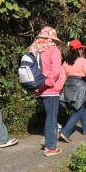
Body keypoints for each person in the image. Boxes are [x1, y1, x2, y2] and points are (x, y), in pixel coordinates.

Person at [31, 27, 65, 156]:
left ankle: (48, 141)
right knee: (51, 118)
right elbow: (56, 70)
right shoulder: (53, 50)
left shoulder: (36, 50)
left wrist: (39, 86)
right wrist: (48, 84)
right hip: (50, 89)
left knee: (48, 116)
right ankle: (50, 147)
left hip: (39, 88)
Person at [59, 39, 86, 142]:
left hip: (69, 86)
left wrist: (60, 89)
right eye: (81, 49)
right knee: (77, 110)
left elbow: (63, 78)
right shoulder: (82, 60)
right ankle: (65, 132)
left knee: (81, 107)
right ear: (79, 49)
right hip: (80, 86)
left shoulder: (65, 62)